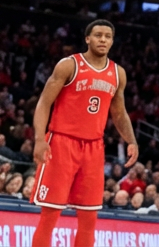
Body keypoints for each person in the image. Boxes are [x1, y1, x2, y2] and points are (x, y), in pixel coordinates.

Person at [29, 19, 138, 247]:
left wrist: (131, 140)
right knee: (50, 214)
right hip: (61, 142)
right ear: (87, 39)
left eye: (108, 36)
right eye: (98, 35)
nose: (103, 40)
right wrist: (39, 139)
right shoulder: (69, 65)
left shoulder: (118, 73)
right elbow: (44, 102)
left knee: (89, 217)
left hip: (94, 148)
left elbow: (119, 113)